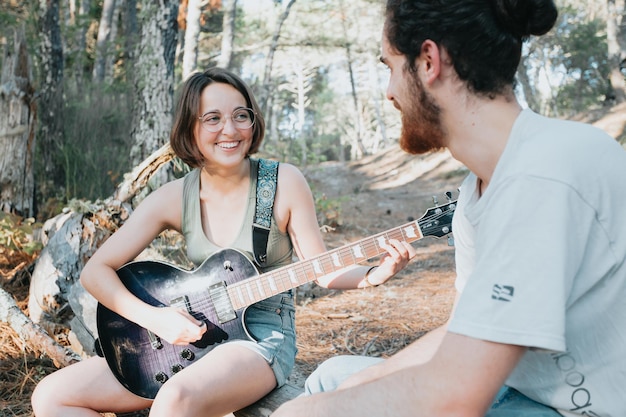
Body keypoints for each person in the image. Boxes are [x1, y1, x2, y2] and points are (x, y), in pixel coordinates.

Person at [271, 0, 626, 416]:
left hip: (580, 409)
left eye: (389, 67)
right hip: (518, 389)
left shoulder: (548, 171)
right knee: (333, 378)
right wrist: (357, 385)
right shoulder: (476, 190)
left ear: (427, 61)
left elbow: (456, 399)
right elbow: (463, 329)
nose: (388, 91)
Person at [31, 67, 415, 417]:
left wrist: (372, 274)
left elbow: (323, 271)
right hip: (176, 344)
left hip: (258, 340)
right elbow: (95, 272)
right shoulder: (175, 197)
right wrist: (157, 319)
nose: (229, 130)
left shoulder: (283, 182)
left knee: (175, 401)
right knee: (51, 396)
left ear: (252, 121)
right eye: (212, 118)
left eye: (240, 115)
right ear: (190, 130)